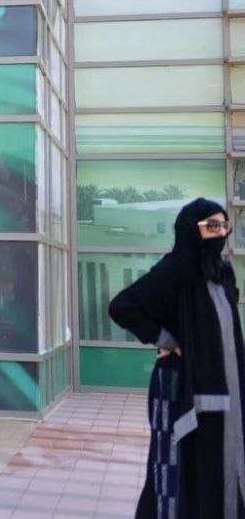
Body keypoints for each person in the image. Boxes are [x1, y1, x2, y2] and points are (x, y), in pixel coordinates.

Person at [109, 198, 245, 518]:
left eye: (224, 226)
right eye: (212, 226)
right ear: (191, 230)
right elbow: (122, 307)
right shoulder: (172, 272)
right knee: (179, 469)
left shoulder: (222, 272)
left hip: (225, 391)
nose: (220, 233)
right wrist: (167, 339)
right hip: (180, 389)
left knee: (221, 463)